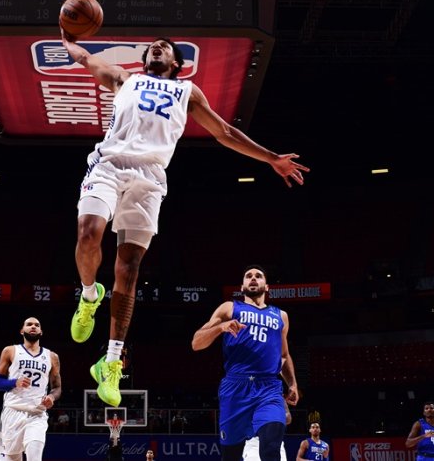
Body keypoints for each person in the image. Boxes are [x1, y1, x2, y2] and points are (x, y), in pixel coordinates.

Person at [61, 33, 309, 407]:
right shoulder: (123, 79)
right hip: (109, 165)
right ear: (145, 58)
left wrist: (271, 157)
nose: (157, 47)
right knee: (88, 234)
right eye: (152, 46)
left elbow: (225, 132)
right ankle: (90, 294)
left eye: (165, 47)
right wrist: (66, 36)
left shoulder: (188, 93)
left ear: (177, 63)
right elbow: (83, 57)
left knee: (128, 269)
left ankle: (110, 364)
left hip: (150, 179)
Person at [191, 267, 300, 461]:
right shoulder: (229, 308)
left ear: (266, 286)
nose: (253, 278)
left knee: (271, 448)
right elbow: (196, 343)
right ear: (242, 286)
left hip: (269, 388)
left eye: (258, 276)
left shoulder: (280, 316)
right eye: (248, 276)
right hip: (235, 387)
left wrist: (292, 383)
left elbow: (284, 355)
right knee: (231, 455)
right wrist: (220, 327)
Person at [0, 317, 62, 461]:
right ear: (22, 331)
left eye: (37, 325)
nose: (33, 327)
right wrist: (14, 382)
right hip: (13, 411)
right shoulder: (10, 351)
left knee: (34, 457)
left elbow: (57, 387)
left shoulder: (52, 356)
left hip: (37, 413)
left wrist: (51, 397)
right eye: (29, 324)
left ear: (41, 332)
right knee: (12, 458)